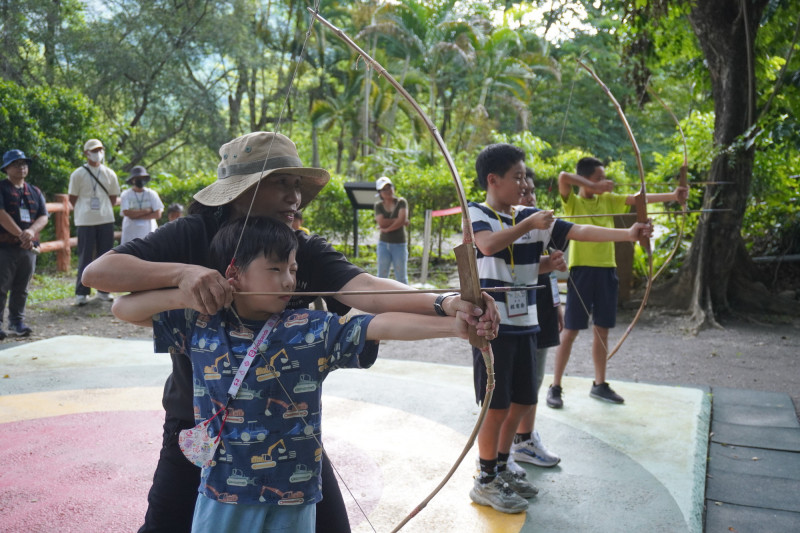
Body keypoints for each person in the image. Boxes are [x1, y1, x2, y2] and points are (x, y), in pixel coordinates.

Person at [82, 131, 498, 533]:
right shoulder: (194, 233)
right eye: (279, 182)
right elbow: (99, 275)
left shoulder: (297, 247)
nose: (294, 196)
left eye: (296, 184)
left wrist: (446, 304)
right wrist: (184, 276)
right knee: (165, 526)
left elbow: (364, 290)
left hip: (284, 429)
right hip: (202, 426)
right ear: (241, 191)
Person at [112, 215, 462, 532]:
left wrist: (455, 324)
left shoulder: (309, 329)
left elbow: (379, 324)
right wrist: (189, 290)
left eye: (293, 269)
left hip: (295, 496)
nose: (288, 280)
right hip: (224, 492)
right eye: (275, 269)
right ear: (234, 273)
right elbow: (123, 307)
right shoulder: (200, 324)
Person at [467, 144, 652, 514]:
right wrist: (528, 224)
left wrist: (629, 234)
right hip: (492, 327)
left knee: (523, 400)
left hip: (527, 323)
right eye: (516, 177)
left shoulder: (531, 217)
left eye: (524, 176)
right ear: (493, 180)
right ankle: (485, 480)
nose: (522, 184)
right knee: (496, 407)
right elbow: (486, 247)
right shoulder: (478, 213)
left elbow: (580, 229)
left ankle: (502, 467)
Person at [547, 157, 688, 409]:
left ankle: (599, 384)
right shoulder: (573, 202)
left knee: (602, 330)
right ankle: (555, 386)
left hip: (607, 271)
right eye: (598, 178)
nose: (604, 182)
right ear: (586, 179)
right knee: (570, 331)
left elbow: (639, 200)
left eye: (604, 178)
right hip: (581, 272)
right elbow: (563, 177)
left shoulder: (608, 201)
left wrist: (674, 196)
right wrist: (596, 186)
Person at [509, 168, 562, 470]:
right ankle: (517, 443)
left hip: (542, 303)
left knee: (535, 379)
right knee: (518, 382)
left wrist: (557, 306)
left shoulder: (540, 227)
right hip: (516, 311)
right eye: (522, 191)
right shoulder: (505, 226)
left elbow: (549, 268)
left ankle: (525, 439)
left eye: (531, 191)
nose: (529, 197)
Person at [0, 150, 49, 339]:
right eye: (16, 164)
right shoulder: (2, 188)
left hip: (28, 249)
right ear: (6, 168)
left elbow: (43, 216)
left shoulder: (34, 191)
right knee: (1, 287)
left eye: (24, 163)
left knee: (22, 287)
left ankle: (17, 321)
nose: (21, 167)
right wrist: (21, 234)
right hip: (5, 248)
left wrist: (30, 232)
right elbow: (1, 214)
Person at [68, 138, 120, 305]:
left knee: (106, 256)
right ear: (86, 153)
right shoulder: (78, 174)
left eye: (100, 149)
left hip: (106, 218)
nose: (98, 153)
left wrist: (102, 209)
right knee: (85, 256)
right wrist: (85, 210)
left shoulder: (109, 173)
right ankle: (81, 293)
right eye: (94, 150)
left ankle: (104, 290)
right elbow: (72, 198)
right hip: (85, 220)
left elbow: (113, 197)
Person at [374, 176, 409, 285]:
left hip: (399, 244)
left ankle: (405, 301)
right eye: (384, 189)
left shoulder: (401, 202)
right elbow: (381, 222)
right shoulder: (378, 205)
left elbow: (401, 219)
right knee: (382, 276)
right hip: (384, 244)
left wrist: (387, 229)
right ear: (380, 192)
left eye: (389, 187)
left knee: (401, 277)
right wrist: (399, 220)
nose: (388, 191)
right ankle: (380, 301)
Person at [120, 166, 164, 244]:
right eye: (138, 178)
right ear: (133, 180)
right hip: (130, 234)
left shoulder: (151, 194)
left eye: (142, 178)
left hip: (149, 233)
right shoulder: (126, 194)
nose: (140, 180)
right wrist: (147, 211)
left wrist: (135, 215)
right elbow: (126, 212)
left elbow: (158, 214)